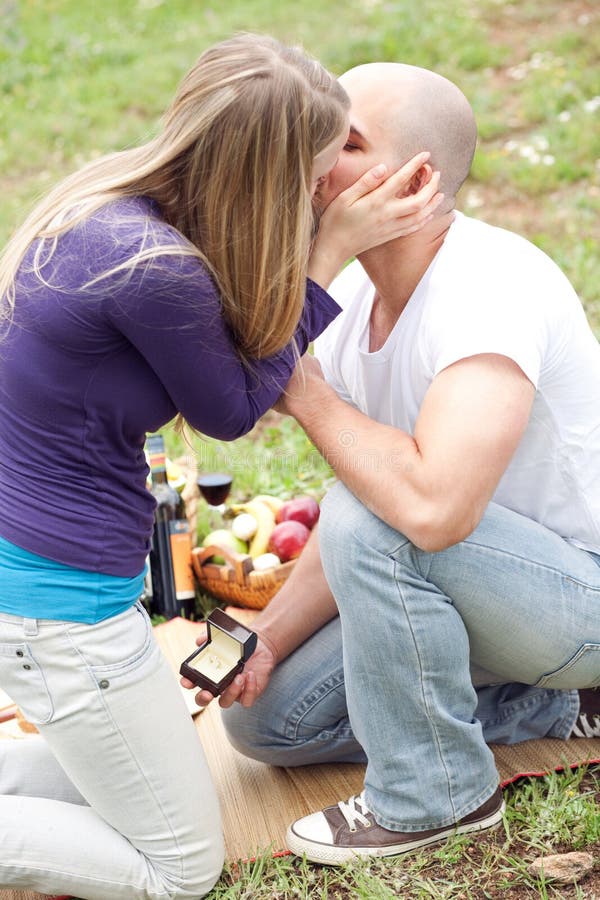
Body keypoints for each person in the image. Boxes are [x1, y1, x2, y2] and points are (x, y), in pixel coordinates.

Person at [0, 38, 441, 898]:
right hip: (62, 619)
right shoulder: (158, 270)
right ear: (268, 176)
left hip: (41, 588)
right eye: (317, 174)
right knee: (181, 867)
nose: (327, 190)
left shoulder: (119, 203)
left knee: (150, 792)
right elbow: (233, 411)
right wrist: (328, 255)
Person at [203, 62, 600, 865]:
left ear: (415, 178)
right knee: (264, 720)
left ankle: (434, 796)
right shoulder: (354, 296)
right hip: (481, 593)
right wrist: (268, 639)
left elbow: (430, 512)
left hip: (576, 600)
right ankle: (562, 710)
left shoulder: (491, 286)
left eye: (344, 144)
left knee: (379, 517)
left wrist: (312, 400)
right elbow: (367, 489)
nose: (313, 160)